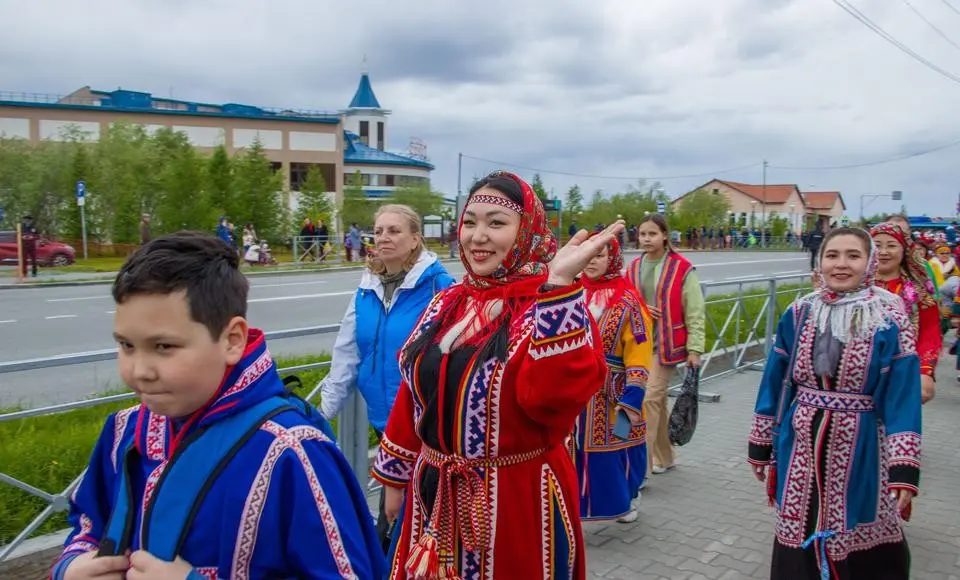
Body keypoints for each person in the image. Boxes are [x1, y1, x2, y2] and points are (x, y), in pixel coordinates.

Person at [52, 231, 385, 580]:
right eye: (126, 345)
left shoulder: (293, 451)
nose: (139, 371)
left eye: (164, 347)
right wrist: (72, 566)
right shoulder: (123, 433)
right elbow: (88, 521)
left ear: (232, 340)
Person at [371, 170, 621, 580]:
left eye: (497, 223)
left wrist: (559, 285)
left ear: (527, 233)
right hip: (433, 492)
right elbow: (415, 393)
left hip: (516, 502)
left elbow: (552, 402)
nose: (477, 236)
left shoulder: (553, 308)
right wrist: (395, 478)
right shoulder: (449, 303)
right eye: (470, 222)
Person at [749, 226, 921, 580]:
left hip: (862, 446)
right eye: (832, 255)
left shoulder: (889, 316)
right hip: (800, 443)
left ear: (869, 262)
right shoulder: (798, 313)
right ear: (820, 261)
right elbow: (775, 380)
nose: (841, 265)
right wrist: (762, 442)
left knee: (859, 525)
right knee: (798, 523)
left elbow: (902, 394)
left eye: (853, 256)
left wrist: (904, 465)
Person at [320, 203, 455, 550]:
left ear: (415, 239)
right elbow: (347, 353)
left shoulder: (440, 287)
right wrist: (322, 415)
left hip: (426, 425)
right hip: (385, 423)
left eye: (394, 231)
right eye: (378, 231)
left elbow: (454, 359)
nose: (383, 238)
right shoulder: (366, 290)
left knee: (402, 516)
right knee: (399, 511)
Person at [575, 234, 653, 523]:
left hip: (614, 393)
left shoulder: (628, 302)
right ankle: (581, 505)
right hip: (577, 392)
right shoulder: (571, 293)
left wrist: (633, 393)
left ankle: (628, 498)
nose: (591, 261)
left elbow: (640, 350)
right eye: (588, 254)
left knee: (621, 447)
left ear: (612, 259)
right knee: (579, 450)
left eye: (599, 255)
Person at [624, 214, 705, 477]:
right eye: (643, 234)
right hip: (638, 345)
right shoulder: (634, 267)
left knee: (648, 400)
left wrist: (695, 349)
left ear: (665, 236)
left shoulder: (682, 268)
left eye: (652, 234)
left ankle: (640, 471)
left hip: (666, 345)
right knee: (655, 401)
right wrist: (641, 307)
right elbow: (624, 300)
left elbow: (695, 310)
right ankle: (666, 456)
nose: (646, 239)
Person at [870, 222, 940, 404]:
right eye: (877, 246)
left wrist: (925, 372)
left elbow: (930, 331)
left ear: (904, 251)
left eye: (891, 245)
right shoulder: (855, 287)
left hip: (902, 373)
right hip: (859, 375)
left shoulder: (918, 290)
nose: (883, 252)